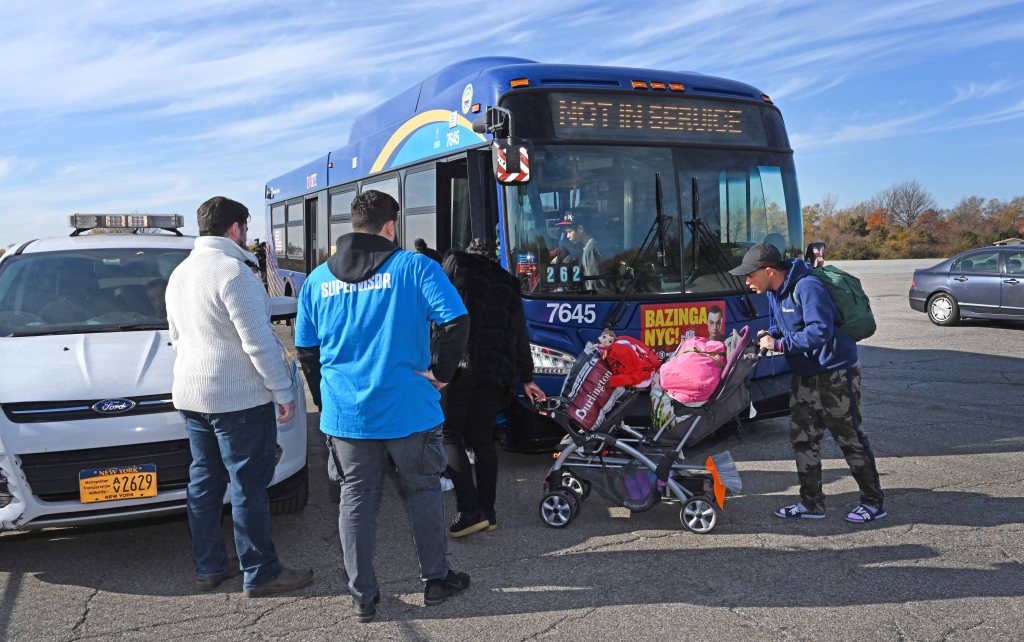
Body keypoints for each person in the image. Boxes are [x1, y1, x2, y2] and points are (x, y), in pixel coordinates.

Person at [294, 190, 472, 623]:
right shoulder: (415, 267)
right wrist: (443, 373)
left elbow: (306, 351)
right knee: (424, 492)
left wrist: (325, 401)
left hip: (346, 416)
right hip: (409, 409)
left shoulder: (317, 280)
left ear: (353, 225)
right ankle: (435, 580)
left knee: (354, 501)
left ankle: (362, 596)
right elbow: (456, 321)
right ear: (391, 226)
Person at [165, 196, 313, 598]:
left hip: (192, 395)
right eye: (246, 229)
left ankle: (209, 565)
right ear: (235, 229)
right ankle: (262, 573)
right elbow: (260, 344)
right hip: (237, 399)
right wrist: (284, 392)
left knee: (205, 481)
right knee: (249, 485)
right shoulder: (234, 272)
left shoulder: (179, 274)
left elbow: (176, 336)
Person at [729, 243, 885, 524]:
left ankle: (873, 502)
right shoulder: (775, 292)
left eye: (749, 276)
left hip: (835, 372)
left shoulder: (807, 287)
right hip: (804, 374)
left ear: (768, 271)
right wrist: (771, 333)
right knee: (803, 439)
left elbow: (820, 331)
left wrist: (778, 343)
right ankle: (811, 503)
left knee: (849, 438)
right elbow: (788, 325)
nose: (747, 282)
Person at [440, 238, 545, 538]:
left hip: (460, 367)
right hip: (496, 372)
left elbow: (438, 311)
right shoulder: (509, 283)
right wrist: (527, 377)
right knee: (482, 439)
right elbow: (519, 337)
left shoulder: (457, 265)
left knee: (449, 434)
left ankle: (469, 510)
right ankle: (488, 511)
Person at [556, 209, 604, 288]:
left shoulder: (591, 249)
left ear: (580, 229)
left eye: (569, 231)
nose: (567, 236)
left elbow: (593, 283)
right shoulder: (587, 247)